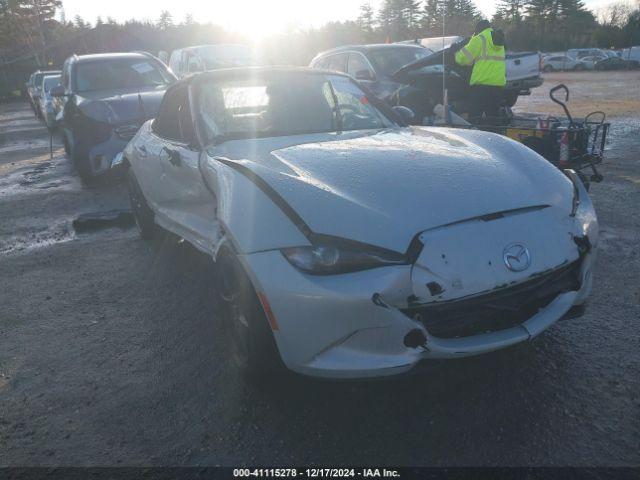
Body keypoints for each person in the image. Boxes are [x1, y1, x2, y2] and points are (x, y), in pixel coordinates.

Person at [454, 20, 506, 124]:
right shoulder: (499, 41)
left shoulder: (480, 39)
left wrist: (455, 52)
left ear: (478, 29)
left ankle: (475, 139)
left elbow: (462, 59)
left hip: (481, 87)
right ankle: (495, 138)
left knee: (474, 118)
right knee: (493, 119)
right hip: (497, 86)